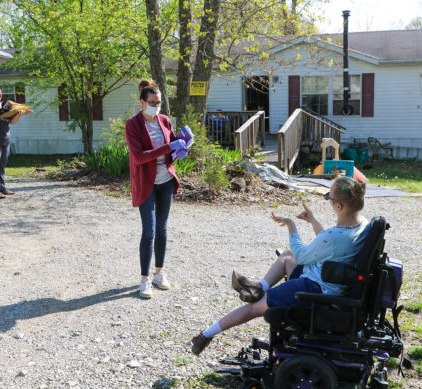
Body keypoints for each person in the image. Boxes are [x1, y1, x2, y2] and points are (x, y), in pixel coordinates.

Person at [190, 177, 369, 355]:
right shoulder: (362, 225)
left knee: (256, 307)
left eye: (328, 198)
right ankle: (258, 288)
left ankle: (206, 335)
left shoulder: (335, 236)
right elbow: (330, 243)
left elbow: (302, 254)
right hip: (329, 280)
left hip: (316, 289)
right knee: (286, 257)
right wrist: (313, 221)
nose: (328, 201)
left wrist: (291, 226)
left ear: (339, 206)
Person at [125, 80, 189, 299]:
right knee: (149, 231)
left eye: (159, 102)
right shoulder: (133, 124)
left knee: (162, 228)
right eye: (152, 102)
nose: (156, 106)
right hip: (146, 183)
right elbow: (139, 157)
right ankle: (144, 280)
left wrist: (180, 149)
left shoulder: (164, 120)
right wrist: (168, 147)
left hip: (165, 182)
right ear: (142, 103)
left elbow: (169, 150)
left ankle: (159, 274)